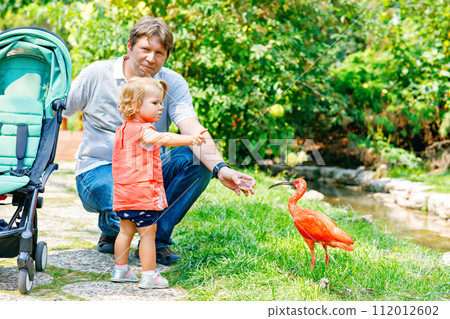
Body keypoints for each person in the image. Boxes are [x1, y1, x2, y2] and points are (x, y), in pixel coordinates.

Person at [63, 16, 256, 265]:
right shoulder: (96, 74)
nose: (151, 59)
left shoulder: (171, 82)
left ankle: (156, 239)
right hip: (99, 169)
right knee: (119, 208)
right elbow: (60, 109)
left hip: (147, 172)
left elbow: (191, 127)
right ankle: (111, 230)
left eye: (159, 53)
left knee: (196, 160)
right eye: (145, 49)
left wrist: (221, 169)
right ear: (129, 46)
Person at [111, 77, 206, 288]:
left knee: (125, 231)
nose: (161, 107)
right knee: (147, 235)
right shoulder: (145, 131)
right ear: (135, 106)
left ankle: (120, 270)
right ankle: (149, 275)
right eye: (155, 103)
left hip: (124, 194)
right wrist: (190, 139)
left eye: (161, 102)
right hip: (142, 195)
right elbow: (164, 138)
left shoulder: (123, 129)